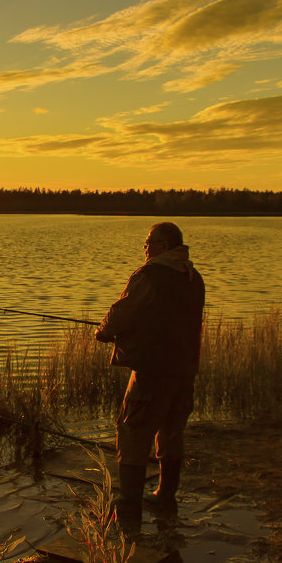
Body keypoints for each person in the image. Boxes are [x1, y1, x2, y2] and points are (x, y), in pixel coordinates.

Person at [94, 222, 205, 530]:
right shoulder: (193, 277)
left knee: (132, 431)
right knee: (171, 431)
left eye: (149, 242)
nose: (145, 248)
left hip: (153, 370)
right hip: (185, 370)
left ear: (165, 245)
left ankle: (129, 508)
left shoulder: (148, 275)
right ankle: (166, 497)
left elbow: (121, 313)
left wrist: (103, 332)